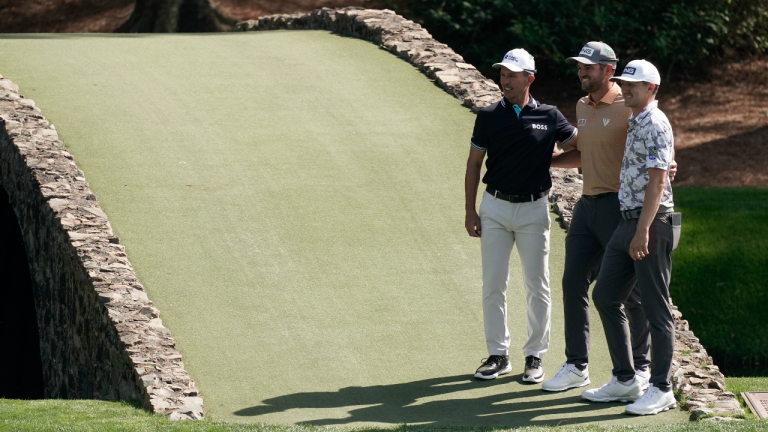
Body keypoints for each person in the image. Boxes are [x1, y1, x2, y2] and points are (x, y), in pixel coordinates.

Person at [544, 42, 658, 392]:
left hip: (617, 208)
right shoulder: (582, 105)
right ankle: (577, 364)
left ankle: (640, 367)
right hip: (587, 204)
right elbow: (582, 154)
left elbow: (657, 153)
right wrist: (544, 158)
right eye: (579, 66)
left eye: (588, 68)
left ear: (609, 70)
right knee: (572, 281)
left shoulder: (630, 105)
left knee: (630, 292)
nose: (581, 72)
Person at [465, 48, 577, 383]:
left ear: (529, 78)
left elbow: (583, 148)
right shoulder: (488, 116)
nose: (505, 80)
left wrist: (547, 160)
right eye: (502, 74)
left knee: (537, 284)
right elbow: (474, 164)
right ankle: (498, 355)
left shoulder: (550, 115)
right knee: (493, 284)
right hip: (495, 207)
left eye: (512, 75)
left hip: (533, 208)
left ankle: (534, 356)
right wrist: (470, 210)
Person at [581, 59, 678, 416]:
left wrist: (642, 231)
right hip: (628, 222)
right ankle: (625, 378)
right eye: (624, 83)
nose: (627, 89)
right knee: (605, 294)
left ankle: (661, 387)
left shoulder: (654, 121)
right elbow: (664, 166)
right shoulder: (636, 120)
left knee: (656, 308)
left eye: (634, 85)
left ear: (652, 88)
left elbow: (657, 181)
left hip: (650, 225)